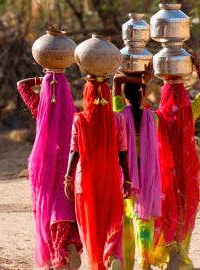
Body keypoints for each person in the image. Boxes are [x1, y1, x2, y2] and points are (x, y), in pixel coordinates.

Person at [64, 75, 131, 270]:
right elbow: (123, 152)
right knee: (112, 218)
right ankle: (111, 255)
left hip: (86, 179)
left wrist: (68, 176)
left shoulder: (79, 120)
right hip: (111, 177)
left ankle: (98, 262)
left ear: (86, 95)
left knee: (90, 222)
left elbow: (74, 151)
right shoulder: (117, 119)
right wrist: (127, 179)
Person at [17, 72, 82, 270]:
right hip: (68, 164)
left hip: (45, 167)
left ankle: (57, 254)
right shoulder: (76, 113)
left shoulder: (40, 107)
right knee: (67, 206)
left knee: (48, 209)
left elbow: (21, 85)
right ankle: (70, 243)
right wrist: (59, 76)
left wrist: (45, 79)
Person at [153, 51, 200, 270]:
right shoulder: (191, 112)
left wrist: (145, 78)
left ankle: (170, 251)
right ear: (184, 96)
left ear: (164, 95)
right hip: (187, 172)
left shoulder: (157, 117)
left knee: (167, 211)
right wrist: (198, 67)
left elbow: (137, 107)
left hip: (165, 173)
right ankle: (181, 252)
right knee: (184, 210)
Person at [112, 65, 161, 270]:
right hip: (147, 177)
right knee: (144, 222)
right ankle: (145, 262)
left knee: (125, 224)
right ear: (142, 97)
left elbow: (116, 81)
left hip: (126, 177)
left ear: (125, 97)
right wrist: (145, 81)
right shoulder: (153, 118)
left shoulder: (120, 114)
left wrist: (140, 80)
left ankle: (125, 265)